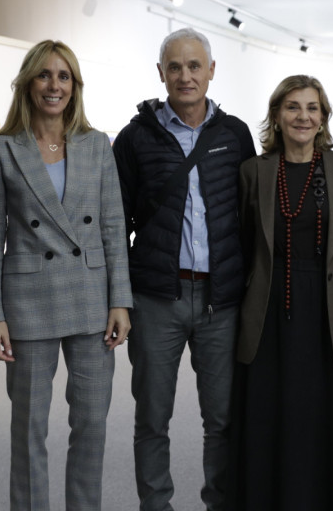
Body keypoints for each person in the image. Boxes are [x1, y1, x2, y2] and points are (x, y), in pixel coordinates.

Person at [0, 40, 132, 511]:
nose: (54, 85)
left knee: (91, 425)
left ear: (75, 86)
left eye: (64, 76)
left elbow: (112, 226)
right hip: (27, 304)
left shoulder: (97, 145)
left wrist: (120, 300)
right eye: (44, 75)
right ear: (28, 82)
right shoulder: (2, 150)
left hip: (90, 300)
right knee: (28, 429)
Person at [112, 27, 255, 511]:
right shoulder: (134, 138)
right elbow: (116, 224)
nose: (185, 76)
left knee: (222, 419)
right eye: (175, 67)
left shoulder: (234, 135)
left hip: (221, 301)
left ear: (211, 71)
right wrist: (119, 299)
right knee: (152, 417)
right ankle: (156, 505)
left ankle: (220, 502)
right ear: (161, 73)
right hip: (157, 299)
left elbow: (249, 215)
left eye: (195, 66)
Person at [233, 74, 333, 510]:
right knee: (270, 417)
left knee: (325, 419)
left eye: (312, 107)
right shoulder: (253, 171)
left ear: (323, 117)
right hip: (269, 313)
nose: (303, 116)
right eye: (293, 107)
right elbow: (241, 247)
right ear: (277, 116)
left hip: (329, 314)